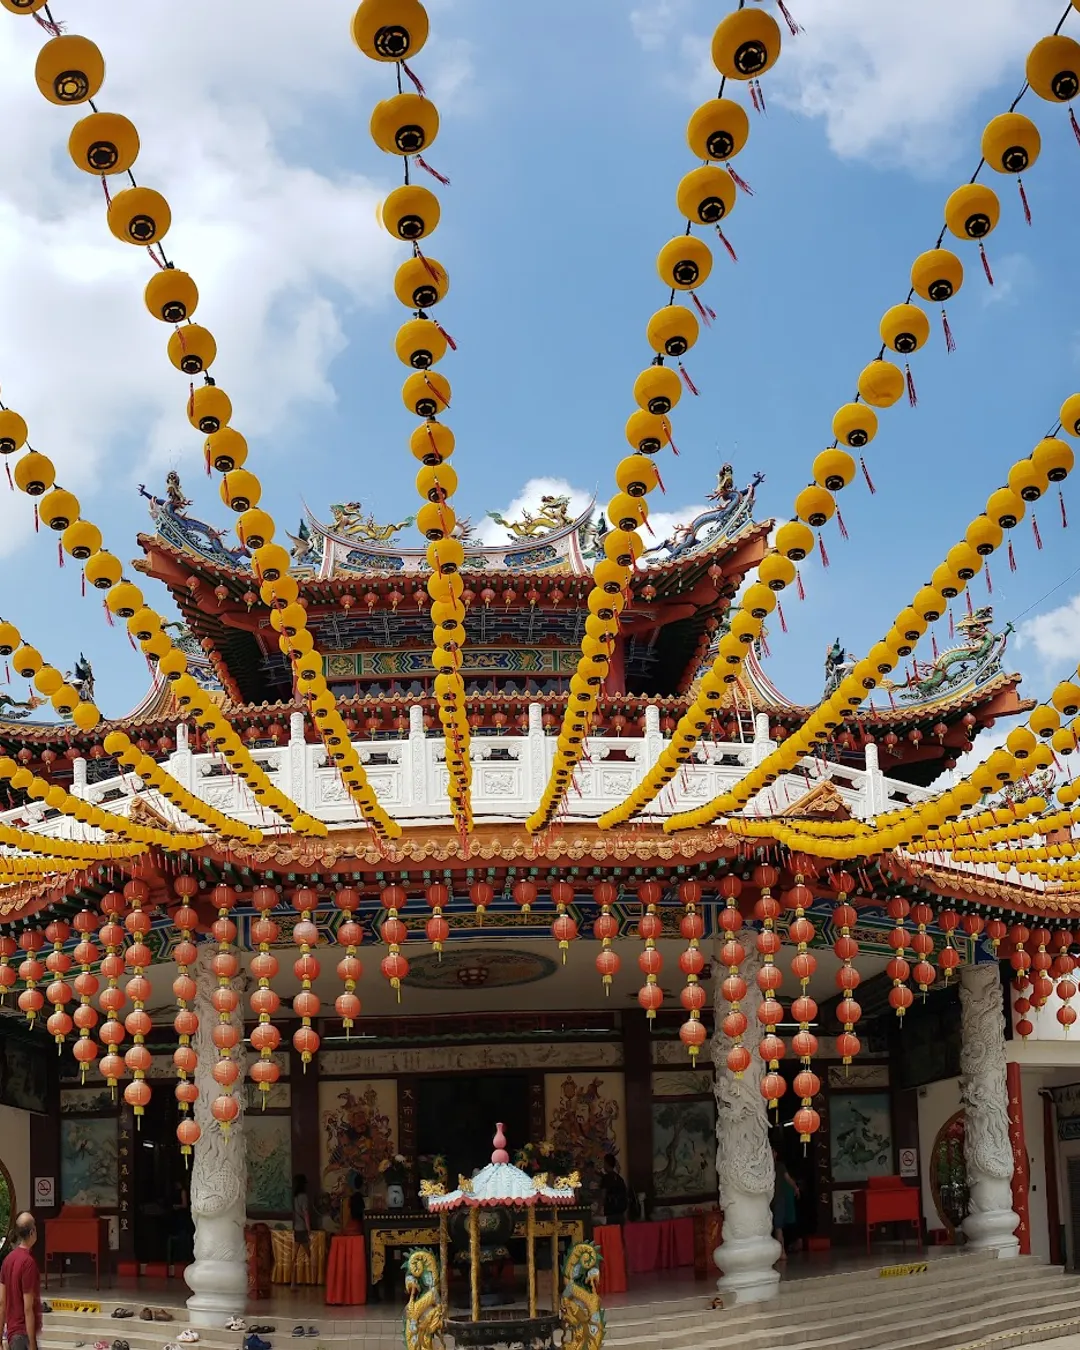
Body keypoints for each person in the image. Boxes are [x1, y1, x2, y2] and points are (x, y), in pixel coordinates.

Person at [0, 1212, 42, 1350]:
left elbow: (2, 1302)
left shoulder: (7, 1260)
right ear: (32, 1232)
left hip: (12, 1334)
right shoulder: (28, 1263)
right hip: (23, 1335)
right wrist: (32, 1343)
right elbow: (28, 1307)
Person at [771, 1146, 799, 1259]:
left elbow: (788, 1178)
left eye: (772, 1152)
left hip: (778, 1199)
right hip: (766, 1200)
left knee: (778, 1226)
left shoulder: (780, 1166)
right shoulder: (763, 1167)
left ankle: (781, 1251)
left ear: (775, 1154)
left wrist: (795, 1188)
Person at [289, 1175, 311, 1291]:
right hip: (303, 1229)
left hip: (296, 1229)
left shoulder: (294, 1197)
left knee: (294, 1257)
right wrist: (309, 1229)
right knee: (311, 1254)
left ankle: (293, 1283)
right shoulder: (304, 1197)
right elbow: (306, 1213)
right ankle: (315, 1278)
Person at [598, 1154, 628, 1226]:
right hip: (621, 1213)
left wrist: (598, 1210)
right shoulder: (620, 1178)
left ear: (606, 1164)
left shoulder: (606, 1178)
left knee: (611, 1231)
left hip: (610, 1212)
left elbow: (603, 1196)